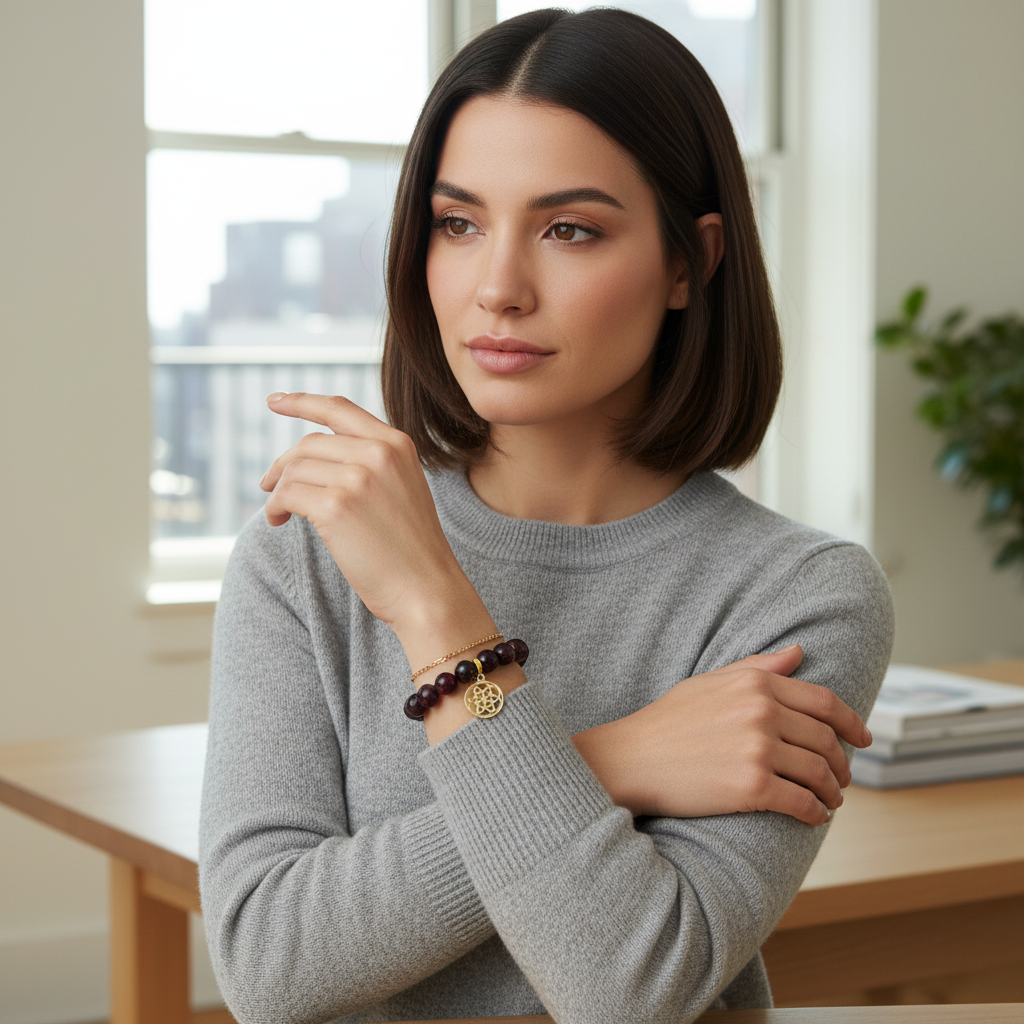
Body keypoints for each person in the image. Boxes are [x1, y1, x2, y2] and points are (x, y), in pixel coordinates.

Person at [199, 8, 894, 1024]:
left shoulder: (799, 595)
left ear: (687, 264)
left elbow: (625, 989)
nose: (498, 287)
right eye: (458, 223)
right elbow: (268, 965)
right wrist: (617, 757)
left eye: (570, 229)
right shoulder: (307, 549)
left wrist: (440, 616)